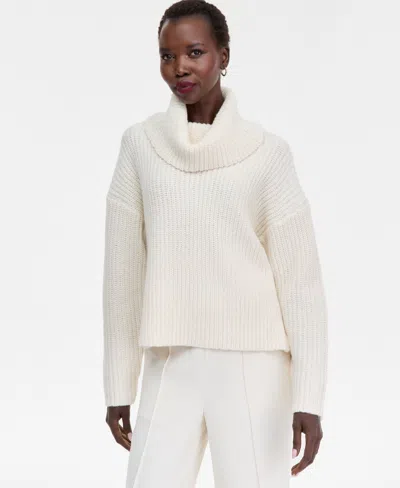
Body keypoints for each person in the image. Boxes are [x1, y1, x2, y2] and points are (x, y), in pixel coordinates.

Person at [102, 1, 328, 486]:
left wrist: (309, 399)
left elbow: (302, 284)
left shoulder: (267, 154)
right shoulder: (140, 146)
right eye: (167, 55)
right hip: (170, 359)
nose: (179, 67)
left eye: (195, 52)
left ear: (223, 56)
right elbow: (123, 277)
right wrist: (119, 385)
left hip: (254, 366)